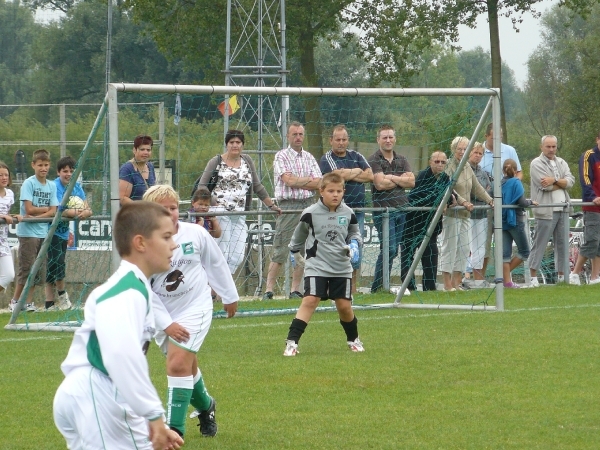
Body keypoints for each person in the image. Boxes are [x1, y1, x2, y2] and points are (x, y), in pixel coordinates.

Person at [53, 201, 184, 450]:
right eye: (166, 237)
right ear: (140, 243)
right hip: (98, 393)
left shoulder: (134, 286)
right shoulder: (126, 292)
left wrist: (150, 418)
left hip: (93, 394)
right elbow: (121, 356)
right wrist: (153, 415)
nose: (174, 245)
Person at [143, 185, 239, 438]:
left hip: (195, 306)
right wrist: (166, 323)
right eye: (162, 210)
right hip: (162, 314)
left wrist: (229, 295)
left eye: (173, 208)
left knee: (176, 364)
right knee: (187, 366)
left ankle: (175, 430)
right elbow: (143, 289)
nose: (170, 214)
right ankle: (206, 406)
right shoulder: (142, 244)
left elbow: (215, 263)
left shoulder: (195, 233)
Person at [283, 172, 363, 356]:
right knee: (310, 300)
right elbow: (299, 235)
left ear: (344, 191)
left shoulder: (348, 213)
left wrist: (354, 244)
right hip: (317, 265)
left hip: (341, 267)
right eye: (331, 191)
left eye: (339, 191)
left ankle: (354, 339)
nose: (335, 195)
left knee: (344, 306)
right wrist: (294, 252)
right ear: (321, 191)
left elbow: (354, 233)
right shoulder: (310, 213)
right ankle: (292, 342)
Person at [193, 129, 281, 276]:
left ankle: (219, 286)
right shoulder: (216, 161)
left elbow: (257, 186)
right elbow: (202, 186)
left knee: (237, 256)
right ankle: (217, 291)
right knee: (223, 253)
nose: (235, 145)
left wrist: (271, 205)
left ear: (243, 145)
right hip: (220, 212)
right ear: (226, 144)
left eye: (238, 142)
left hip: (240, 213)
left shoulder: (247, 161)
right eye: (232, 142)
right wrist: (214, 203)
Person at [263, 121, 322, 300]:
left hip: (309, 204)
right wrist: (306, 181)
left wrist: (298, 180)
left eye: (300, 134)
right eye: (294, 134)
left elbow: (319, 182)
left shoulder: (310, 157)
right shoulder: (281, 156)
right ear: (288, 136)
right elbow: (288, 181)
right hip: (288, 206)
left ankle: (295, 290)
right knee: (280, 248)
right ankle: (268, 290)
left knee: (303, 249)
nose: (298, 137)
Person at [319, 124, 373, 292]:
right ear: (331, 141)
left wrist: (348, 173)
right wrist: (357, 171)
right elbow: (335, 177)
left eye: (344, 139)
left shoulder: (356, 155)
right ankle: (334, 286)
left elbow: (370, 175)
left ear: (348, 140)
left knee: (356, 247)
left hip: (358, 212)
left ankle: (353, 288)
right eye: (338, 139)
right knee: (335, 247)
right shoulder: (326, 158)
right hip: (336, 212)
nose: (341, 143)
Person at [439, 137, 492, 291]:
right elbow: (449, 188)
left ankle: (457, 282)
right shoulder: (449, 166)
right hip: (452, 213)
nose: (462, 152)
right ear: (453, 149)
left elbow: (476, 187)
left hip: (465, 215)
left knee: (464, 248)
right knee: (450, 248)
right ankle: (447, 284)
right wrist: (463, 202)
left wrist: (490, 201)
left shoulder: (467, 167)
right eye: (459, 149)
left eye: (465, 149)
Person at [10, 149, 59, 313]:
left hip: (42, 233)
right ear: (33, 165)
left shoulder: (51, 185)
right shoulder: (29, 183)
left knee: (37, 270)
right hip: (28, 233)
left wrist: (44, 212)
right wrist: (46, 211)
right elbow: (28, 209)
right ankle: (16, 300)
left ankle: (28, 302)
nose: (43, 168)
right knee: (26, 268)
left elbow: (54, 210)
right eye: (40, 165)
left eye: (46, 165)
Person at [367, 124, 415, 293]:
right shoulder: (373, 159)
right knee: (390, 248)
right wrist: (400, 179)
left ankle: (380, 287)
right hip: (383, 211)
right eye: (384, 137)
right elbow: (379, 184)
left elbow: (411, 181)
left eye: (390, 137)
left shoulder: (402, 159)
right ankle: (377, 286)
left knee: (394, 250)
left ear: (395, 138)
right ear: (378, 139)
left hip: (402, 209)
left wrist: (391, 177)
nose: (388, 140)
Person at [45, 156, 93, 311]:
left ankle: (50, 303)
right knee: (55, 262)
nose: (68, 174)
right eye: (65, 171)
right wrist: (78, 212)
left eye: (71, 171)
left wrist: (85, 212)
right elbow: (60, 209)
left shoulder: (77, 187)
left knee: (57, 263)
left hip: (63, 232)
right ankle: (60, 295)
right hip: (49, 231)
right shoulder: (53, 186)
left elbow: (88, 209)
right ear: (58, 172)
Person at [401, 151, 453, 291]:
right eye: (437, 162)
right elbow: (419, 197)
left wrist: (445, 202)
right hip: (413, 224)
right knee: (408, 255)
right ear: (430, 162)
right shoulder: (423, 176)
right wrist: (440, 202)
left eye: (443, 162)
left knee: (431, 255)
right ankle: (408, 286)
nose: (440, 165)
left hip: (432, 226)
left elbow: (449, 196)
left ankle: (429, 287)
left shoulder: (445, 178)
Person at [528, 135, 574, 286]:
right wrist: (561, 182)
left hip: (563, 209)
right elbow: (544, 186)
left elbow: (570, 181)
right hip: (546, 210)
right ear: (541, 147)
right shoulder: (536, 163)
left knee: (562, 244)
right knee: (540, 243)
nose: (551, 149)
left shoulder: (561, 162)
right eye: (548, 146)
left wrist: (554, 180)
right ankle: (533, 277)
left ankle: (562, 276)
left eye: (554, 146)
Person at [480, 123, 523, 279]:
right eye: (493, 137)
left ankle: (504, 277)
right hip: (484, 205)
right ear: (486, 136)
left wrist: (511, 191)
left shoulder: (509, 150)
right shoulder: (478, 151)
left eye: (500, 136)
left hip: (505, 206)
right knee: (483, 244)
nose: (497, 140)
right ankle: (478, 279)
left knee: (505, 243)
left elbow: (519, 174)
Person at [570, 132, 600, 285]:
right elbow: (585, 177)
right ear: (597, 140)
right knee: (592, 240)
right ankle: (575, 273)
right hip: (593, 206)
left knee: (599, 242)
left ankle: (595, 277)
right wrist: (593, 196)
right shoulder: (589, 155)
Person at [501, 159, 536, 288]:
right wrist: (531, 202)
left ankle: (506, 281)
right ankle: (503, 277)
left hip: (502, 220)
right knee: (525, 251)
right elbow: (521, 202)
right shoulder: (516, 182)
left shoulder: (499, 183)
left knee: (505, 254)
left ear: (502, 170)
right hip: (515, 220)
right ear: (516, 171)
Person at [465, 142, 494, 288]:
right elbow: (470, 191)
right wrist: (481, 193)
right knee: (466, 246)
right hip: (467, 214)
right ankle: (461, 278)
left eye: (480, 153)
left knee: (480, 248)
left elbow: (488, 190)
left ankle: (478, 280)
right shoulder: (464, 169)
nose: (477, 155)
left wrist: (482, 193)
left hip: (482, 214)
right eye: (475, 152)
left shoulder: (483, 173)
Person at [0, 161, 20, 297]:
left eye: (6, 175)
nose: (4, 177)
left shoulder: (10, 194)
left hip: (2, 241)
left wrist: (14, 216)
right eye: (0, 175)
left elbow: (6, 215)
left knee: (9, 275)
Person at [119, 134, 156, 204]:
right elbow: (122, 198)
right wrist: (140, 209)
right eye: (142, 149)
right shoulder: (127, 169)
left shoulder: (150, 167)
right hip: (132, 213)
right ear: (134, 150)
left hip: (149, 213)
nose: (145, 152)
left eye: (148, 150)